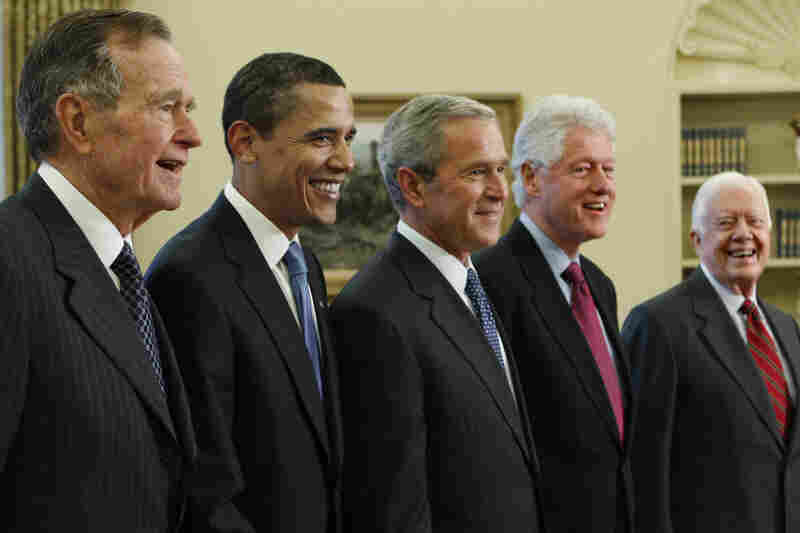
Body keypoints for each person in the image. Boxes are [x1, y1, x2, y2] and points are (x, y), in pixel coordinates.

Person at [0, 8, 201, 532]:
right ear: (78, 122)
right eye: (166, 108)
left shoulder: (122, 273)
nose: (193, 134)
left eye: (189, 109)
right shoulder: (9, 258)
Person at [145, 52, 353, 533]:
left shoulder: (307, 268)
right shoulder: (190, 274)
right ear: (245, 143)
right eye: (322, 138)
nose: (343, 161)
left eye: (348, 138)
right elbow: (205, 488)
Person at [331, 94, 543, 532]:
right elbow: (393, 507)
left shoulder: (473, 284)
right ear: (412, 186)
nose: (500, 191)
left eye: (499, 169)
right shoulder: (373, 313)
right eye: (476, 172)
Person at [474, 94, 633, 533]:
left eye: (609, 169)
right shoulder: (488, 281)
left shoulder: (598, 285)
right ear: (531, 177)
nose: (603, 185)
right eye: (583, 168)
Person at [623, 171, 800, 532]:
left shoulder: (785, 326)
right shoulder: (658, 324)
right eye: (726, 222)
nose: (743, 234)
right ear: (696, 239)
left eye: (755, 221)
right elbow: (644, 468)